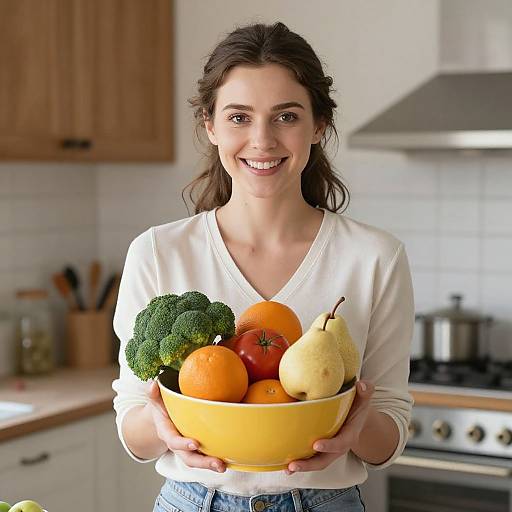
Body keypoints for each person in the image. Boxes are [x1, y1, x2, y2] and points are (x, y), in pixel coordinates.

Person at [112, 21, 414, 512]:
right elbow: (133, 428)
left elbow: (389, 432)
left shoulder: (376, 258)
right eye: (238, 117)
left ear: (318, 125)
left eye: (286, 116)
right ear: (210, 126)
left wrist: (354, 427)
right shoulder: (157, 253)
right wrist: (162, 424)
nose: (262, 140)